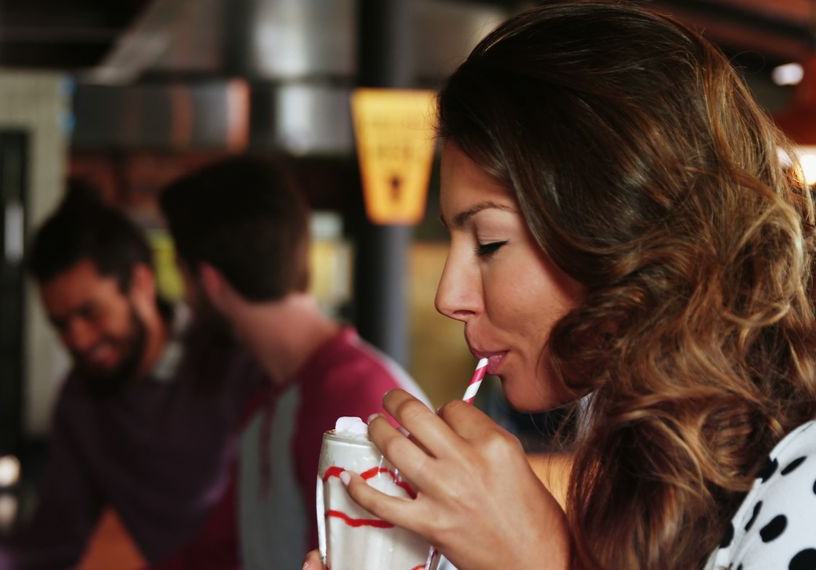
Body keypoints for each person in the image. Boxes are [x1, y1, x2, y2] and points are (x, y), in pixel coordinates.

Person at [303, 3, 816, 569]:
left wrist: (537, 560)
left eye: (491, 243)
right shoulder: (655, 479)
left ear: (627, 228)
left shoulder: (806, 475)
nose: (447, 297)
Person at [156, 157, 429, 570]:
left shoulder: (351, 403)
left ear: (209, 281)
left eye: (181, 275)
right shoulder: (272, 396)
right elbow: (220, 551)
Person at [0, 191, 263, 569]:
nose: (77, 339)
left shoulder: (234, 364)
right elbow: (53, 542)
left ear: (141, 284)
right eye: (61, 324)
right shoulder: (81, 401)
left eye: (90, 313)